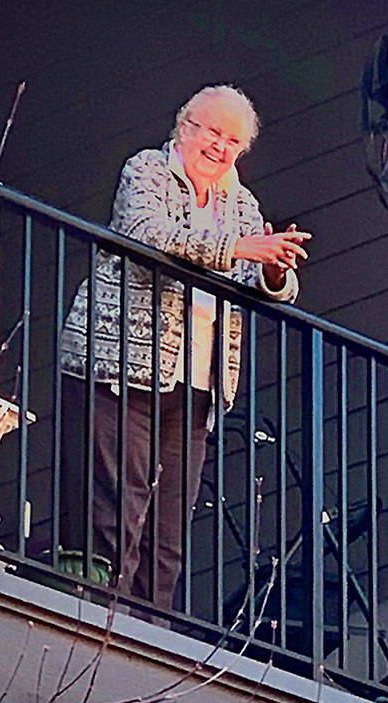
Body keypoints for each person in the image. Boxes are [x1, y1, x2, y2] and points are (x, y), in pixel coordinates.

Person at [58, 84, 310, 610]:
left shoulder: (240, 203)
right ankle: (103, 628)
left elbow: (260, 280)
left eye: (233, 141)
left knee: (169, 528)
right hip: (122, 366)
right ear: (185, 127)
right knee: (116, 512)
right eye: (213, 132)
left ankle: (151, 639)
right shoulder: (148, 170)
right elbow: (147, 234)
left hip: (197, 382)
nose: (221, 147)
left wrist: (271, 269)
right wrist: (238, 247)